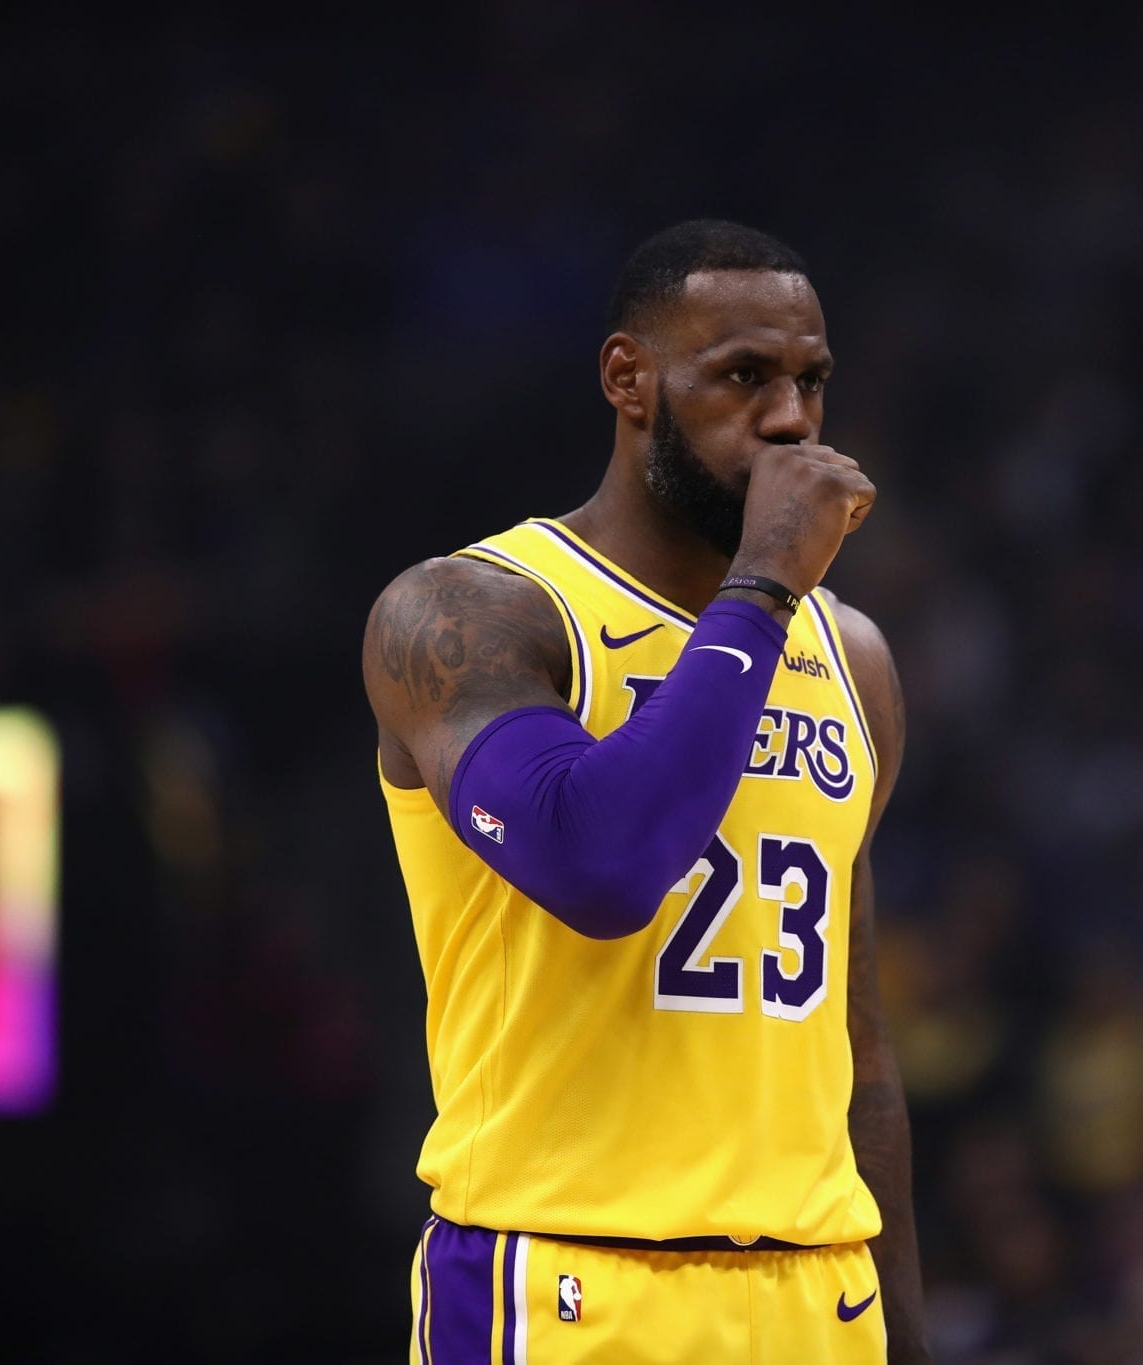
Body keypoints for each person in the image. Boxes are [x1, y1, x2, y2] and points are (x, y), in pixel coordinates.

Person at [363, 219, 928, 1363]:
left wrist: (906, 1338)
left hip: (819, 1297)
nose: (788, 421)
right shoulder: (473, 613)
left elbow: (854, 1052)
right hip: (568, 1285)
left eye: (810, 383)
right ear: (628, 380)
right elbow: (602, 864)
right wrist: (764, 579)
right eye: (741, 378)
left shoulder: (853, 659)